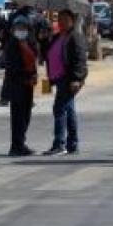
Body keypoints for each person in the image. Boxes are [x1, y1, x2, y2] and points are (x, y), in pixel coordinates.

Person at [43, 9, 89, 156]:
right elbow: (47, 53)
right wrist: (43, 39)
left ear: (72, 21)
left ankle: (59, 143)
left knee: (59, 108)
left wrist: (77, 79)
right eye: (59, 19)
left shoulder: (75, 37)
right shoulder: (57, 37)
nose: (61, 22)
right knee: (68, 111)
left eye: (65, 19)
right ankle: (73, 144)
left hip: (68, 79)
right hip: (58, 79)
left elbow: (80, 60)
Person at [4, 16, 38, 156]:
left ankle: (21, 143)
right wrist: (25, 78)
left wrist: (34, 76)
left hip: (28, 85)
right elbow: (12, 67)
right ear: (13, 30)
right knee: (17, 116)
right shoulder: (11, 45)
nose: (20, 31)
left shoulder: (30, 43)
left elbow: (33, 62)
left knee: (26, 115)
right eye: (18, 28)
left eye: (23, 28)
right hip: (17, 84)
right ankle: (16, 146)